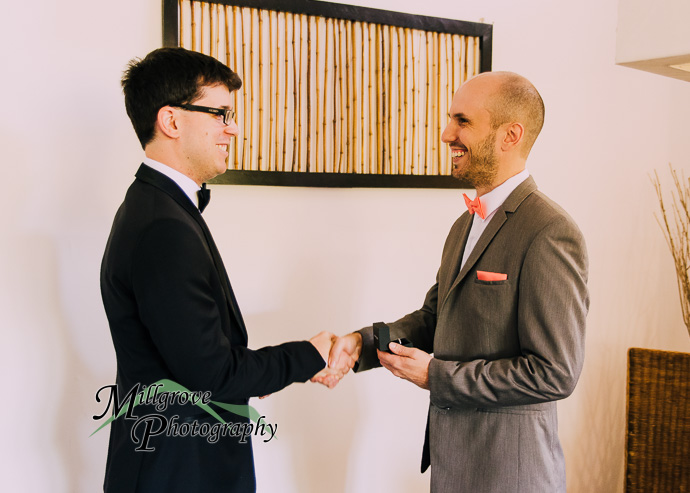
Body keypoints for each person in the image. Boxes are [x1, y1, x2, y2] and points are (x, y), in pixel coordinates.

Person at [324, 71, 589, 493]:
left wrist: (438, 376)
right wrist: (363, 344)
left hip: (510, 474)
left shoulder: (550, 232)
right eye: (450, 119)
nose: (447, 133)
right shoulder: (463, 225)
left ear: (510, 135)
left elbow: (554, 373)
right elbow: (435, 319)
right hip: (453, 468)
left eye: (462, 121)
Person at [100, 47, 346, 493]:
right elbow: (211, 374)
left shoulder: (157, 207)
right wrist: (306, 355)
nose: (233, 127)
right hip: (178, 471)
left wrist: (258, 369)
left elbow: (197, 353)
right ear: (171, 121)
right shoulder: (162, 226)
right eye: (220, 113)